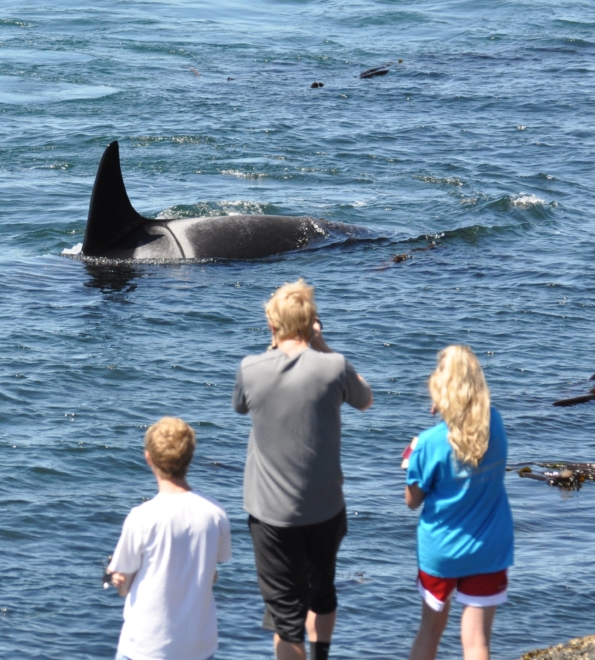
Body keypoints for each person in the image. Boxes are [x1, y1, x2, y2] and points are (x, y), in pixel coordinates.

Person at [233, 279, 373, 660]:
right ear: (312, 323)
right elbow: (364, 398)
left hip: (271, 514)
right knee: (322, 590)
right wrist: (321, 344)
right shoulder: (333, 367)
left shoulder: (251, 368)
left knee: (285, 614)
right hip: (325, 507)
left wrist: (276, 346)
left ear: (273, 326)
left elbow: (242, 406)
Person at [405, 345, 514, 660]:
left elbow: (412, 501)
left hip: (442, 551)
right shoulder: (496, 424)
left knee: (430, 632)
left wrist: (412, 458)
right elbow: (468, 441)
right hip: (489, 547)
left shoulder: (428, 443)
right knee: (477, 642)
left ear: (440, 393)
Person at [108, 417, 232, 660]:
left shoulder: (141, 517)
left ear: (149, 458)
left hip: (145, 647)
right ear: (190, 457)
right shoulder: (216, 514)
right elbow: (211, 576)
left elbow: (124, 586)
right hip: (198, 647)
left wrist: (118, 581)